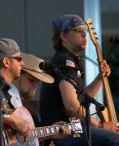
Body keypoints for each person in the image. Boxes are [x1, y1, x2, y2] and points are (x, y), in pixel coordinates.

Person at [40, 14, 119, 146]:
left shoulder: (71, 60)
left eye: (85, 30)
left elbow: (81, 98)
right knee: (115, 139)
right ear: (63, 36)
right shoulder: (64, 61)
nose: (84, 34)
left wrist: (100, 78)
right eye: (78, 30)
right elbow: (71, 106)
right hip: (62, 133)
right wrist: (100, 125)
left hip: (74, 129)